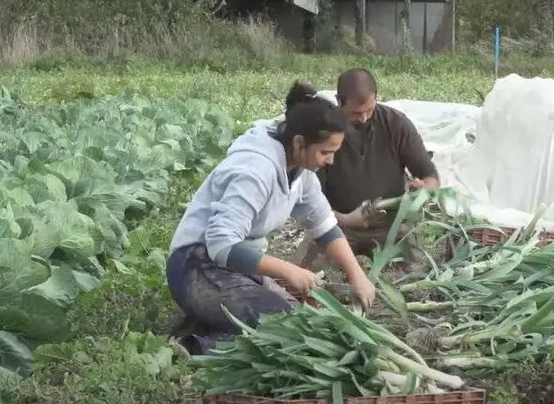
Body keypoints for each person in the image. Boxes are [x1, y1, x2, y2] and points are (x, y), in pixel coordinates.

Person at [166, 81, 376, 355]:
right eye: (326, 152)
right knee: (285, 327)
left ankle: (205, 322)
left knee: (304, 320)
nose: (330, 161)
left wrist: (357, 275)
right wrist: (288, 269)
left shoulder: (301, 170)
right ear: (299, 142)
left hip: (236, 269)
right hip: (196, 265)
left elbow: (325, 227)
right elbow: (221, 244)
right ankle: (196, 346)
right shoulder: (255, 170)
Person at [299, 68, 440, 268]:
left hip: (391, 226)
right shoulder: (324, 131)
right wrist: (346, 220)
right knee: (309, 274)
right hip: (337, 225)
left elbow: (430, 175)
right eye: (356, 113)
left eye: (370, 110)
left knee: (419, 271)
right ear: (339, 101)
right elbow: (308, 201)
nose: (365, 118)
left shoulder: (396, 124)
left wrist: (424, 191)